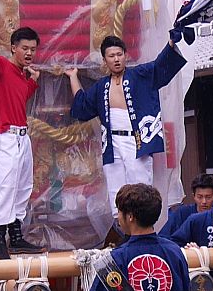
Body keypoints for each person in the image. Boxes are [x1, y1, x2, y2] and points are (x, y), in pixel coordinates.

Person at [65, 34, 187, 217]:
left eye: (119, 54)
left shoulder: (139, 75)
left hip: (136, 141)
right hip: (112, 143)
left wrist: (171, 43)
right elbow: (82, 106)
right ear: (105, 60)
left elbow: (159, 67)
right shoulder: (101, 86)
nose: (116, 59)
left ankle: (142, 225)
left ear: (125, 55)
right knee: (117, 190)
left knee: (140, 188)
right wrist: (73, 77)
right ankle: (122, 226)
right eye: (111, 56)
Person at [0, 19, 45, 258]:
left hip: (22, 136)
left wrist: (33, 80)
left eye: (33, 49)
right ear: (13, 47)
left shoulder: (21, 75)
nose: (29, 53)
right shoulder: (2, 66)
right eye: (25, 48)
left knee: (23, 185)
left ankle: (16, 238)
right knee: (5, 186)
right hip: (5, 136)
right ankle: (0, 240)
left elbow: (21, 97)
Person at [158, 173, 213, 239]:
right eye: (200, 197)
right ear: (194, 196)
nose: (204, 201)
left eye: (208, 197)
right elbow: (163, 237)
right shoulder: (182, 213)